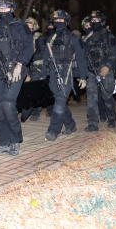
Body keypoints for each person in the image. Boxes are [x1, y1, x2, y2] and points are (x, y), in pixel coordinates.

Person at [0, 0, 33, 156]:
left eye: (6, 7)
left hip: (15, 70)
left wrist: (20, 65)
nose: (3, 9)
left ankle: (15, 141)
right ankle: (3, 143)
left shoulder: (22, 25)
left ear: (12, 8)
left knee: (8, 105)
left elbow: (29, 47)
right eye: (0, 7)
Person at [43, 10, 87, 140]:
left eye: (61, 20)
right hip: (53, 73)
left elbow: (81, 58)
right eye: (56, 20)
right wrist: (43, 75)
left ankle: (53, 131)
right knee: (59, 101)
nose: (58, 22)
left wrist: (83, 76)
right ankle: (70, 124)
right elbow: (46, 58)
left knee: (60, 101)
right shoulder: (51, 38)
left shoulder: (74, 38)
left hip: (67, 73)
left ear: (66, 21)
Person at [83, 11, 116, 131]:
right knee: (91, 98)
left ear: (102, 21)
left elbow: (115, 52)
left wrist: (108, 66)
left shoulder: (108, 36)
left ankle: (112, 117)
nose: (94, 22)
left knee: (107, 96)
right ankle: (93, 123)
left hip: (105, 70)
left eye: (96, 20)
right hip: (91, 71)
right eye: (92, 20)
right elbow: (83, 55)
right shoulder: (88, 38)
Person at [23, 17, 47, 121]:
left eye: (30, 24)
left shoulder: (38, 37)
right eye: (27, 24)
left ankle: (36, 112)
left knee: (35, 90)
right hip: (26, 67)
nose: (28, 26)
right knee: (26, 90)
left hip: (37, 66)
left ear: (34, 25)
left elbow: (44, 52)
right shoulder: (23, 37)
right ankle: (26, 110)